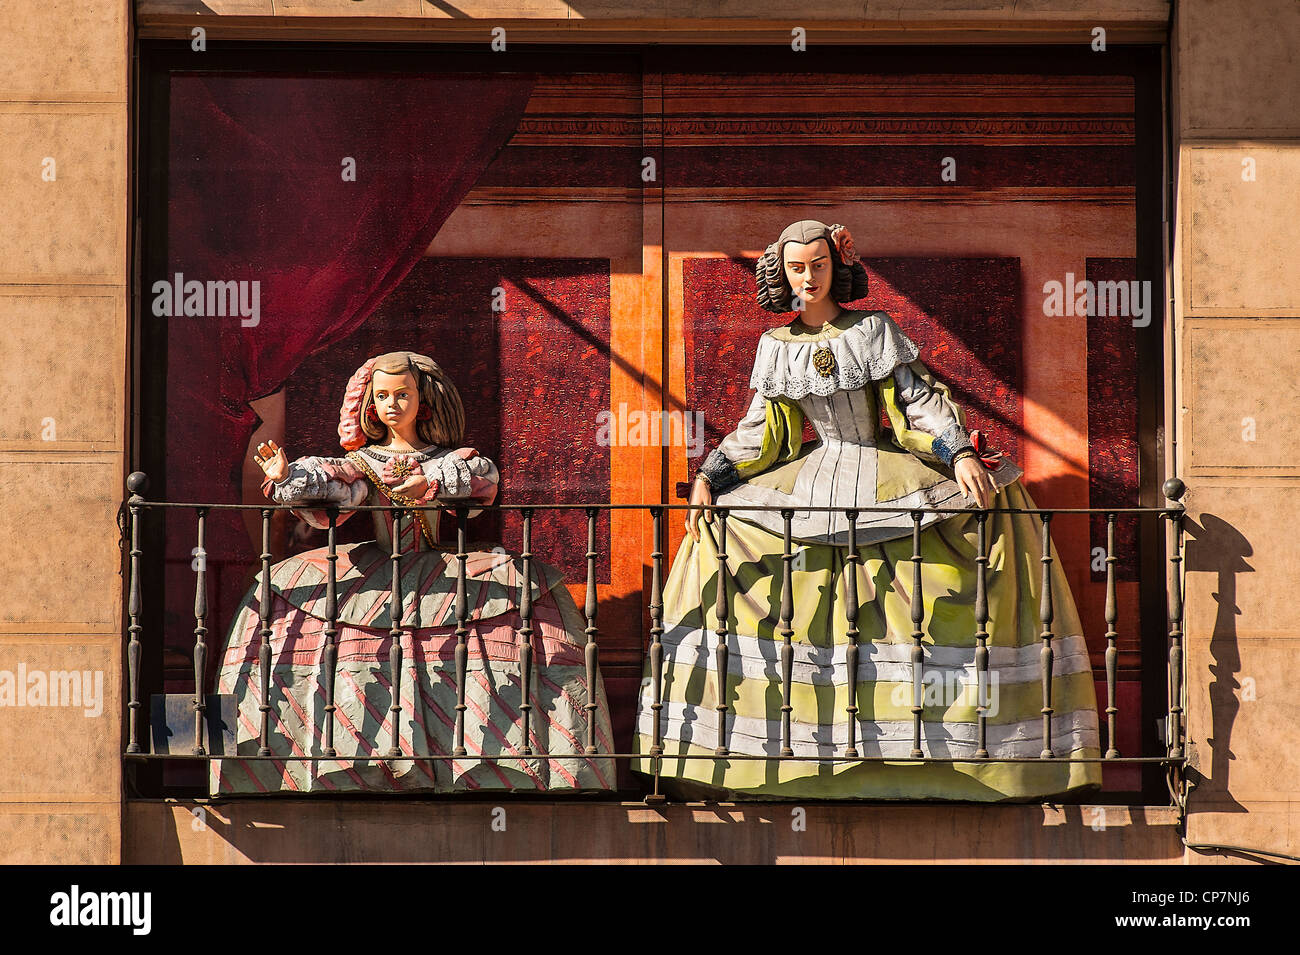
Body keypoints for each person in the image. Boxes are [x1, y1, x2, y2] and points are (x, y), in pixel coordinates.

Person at [632, 219, 1102, 801]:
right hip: (811, 476)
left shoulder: (875, 329)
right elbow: (761, 431)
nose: (808, 277)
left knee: (922, 589)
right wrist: (709, 476)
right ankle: (804, 745)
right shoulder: (775, 347)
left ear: (837, 265)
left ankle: (936, 745)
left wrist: (958, 454)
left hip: (884, 471)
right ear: (782, 272)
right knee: (767, 568)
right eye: (797, 267)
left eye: (819, 265)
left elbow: (917, 399)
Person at [212, 350, 614, 794]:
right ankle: (336, 760)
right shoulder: (365, 462)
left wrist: (432, 483)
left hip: (448, 563)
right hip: (379, 568)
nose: (391, 404)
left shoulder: (453, 458)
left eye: (402, 394)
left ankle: (497, 759)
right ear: (369, 404)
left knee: (518, 612)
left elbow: (482, 479)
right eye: (382, 395)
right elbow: (334, 483)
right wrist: (287, 476)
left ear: (423, 400)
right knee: (294, 607)